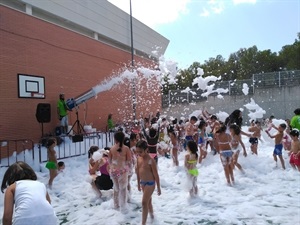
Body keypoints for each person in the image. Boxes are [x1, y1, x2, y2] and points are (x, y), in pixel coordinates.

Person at [136, 140, 161, 225]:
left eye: (141, 151)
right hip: (143, 183)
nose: (139, 153)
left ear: (146, 150)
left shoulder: (151, 160)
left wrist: (158, 187)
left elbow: (156, 175)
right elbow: (138, 171)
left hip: (150, 184)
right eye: (137, 151)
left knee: (144, 202)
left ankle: (143, 223)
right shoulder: (138, 159)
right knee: (148, 202)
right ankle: (152, 216)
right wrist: (138, 183)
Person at [108, 131, 131, 212]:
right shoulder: (126, 148)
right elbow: (129, 160)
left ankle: (116, 204)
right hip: (123, 171)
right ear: (123, 139)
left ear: (115, 139)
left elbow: (109, 160)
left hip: (114, 171)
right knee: (123, 189)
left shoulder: (112, 148)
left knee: (116, 188)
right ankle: (123, 207)